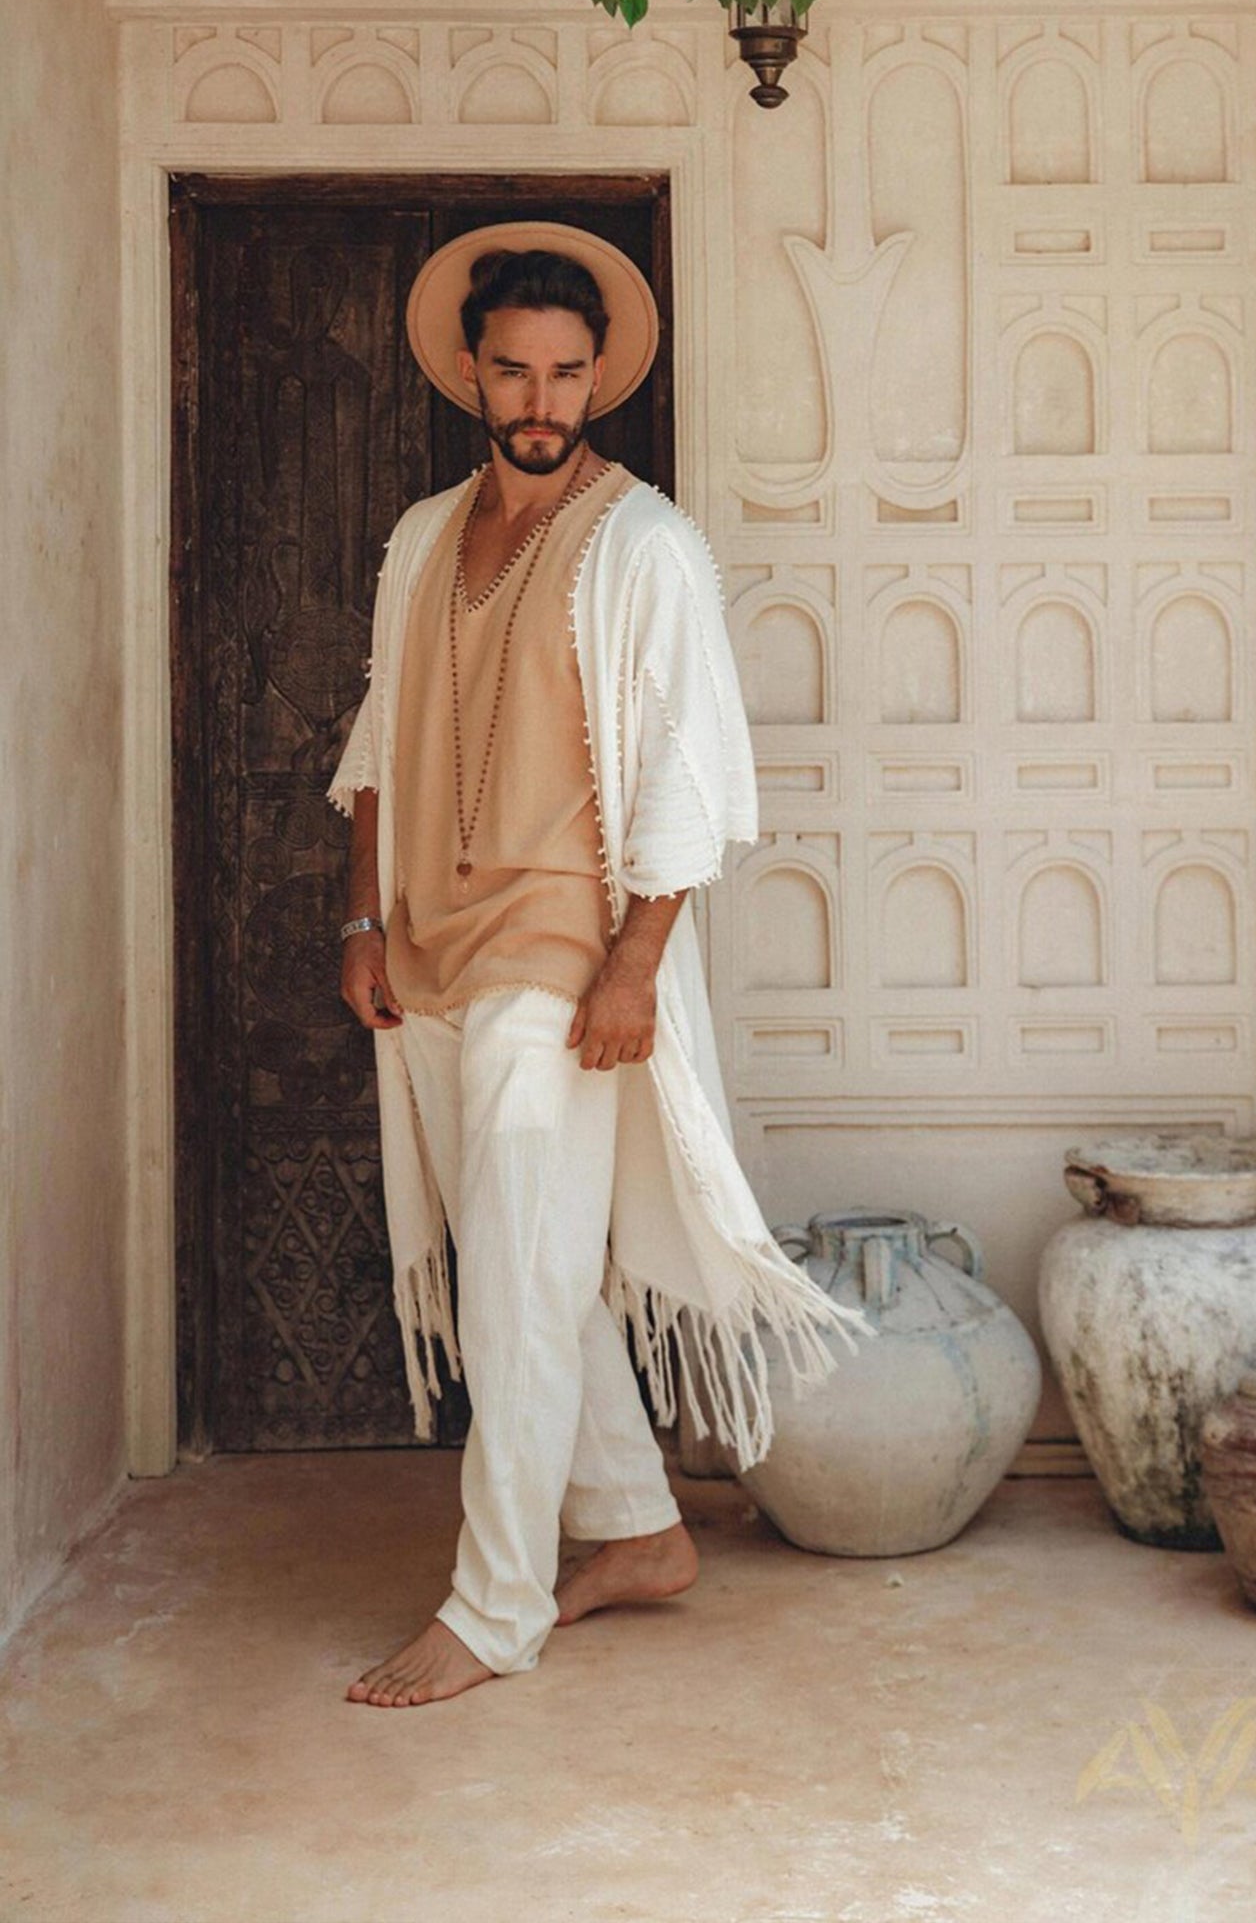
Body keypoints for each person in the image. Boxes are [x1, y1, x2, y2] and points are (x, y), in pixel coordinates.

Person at [328, 222, 865, 1708]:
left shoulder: (647, 545)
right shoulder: (423, 537)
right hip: (424, 947)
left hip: (558, 962)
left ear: (600, 380)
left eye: (567, 371)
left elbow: (690, 779)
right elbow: (377, 740)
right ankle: (634, 1530)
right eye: (514, 368)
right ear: (469, 373)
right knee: (536, 1266)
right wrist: (362, 919)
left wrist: (632, 968)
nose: (541, 396)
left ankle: (495, 1608)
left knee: (513, 1279)